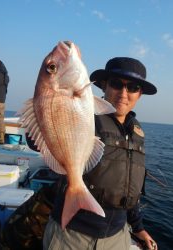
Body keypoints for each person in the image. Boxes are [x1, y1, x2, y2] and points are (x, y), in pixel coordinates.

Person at [41, 57, 158, 250]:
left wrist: (138, 228)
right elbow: (41, 138)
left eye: (133, 87)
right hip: (71, 235)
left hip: (117, 237)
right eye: (116, 84)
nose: (123, 93)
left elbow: (128, 185)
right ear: (103, 86)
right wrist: (48, 101)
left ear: (140, 94)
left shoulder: (136, 131)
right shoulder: (85, 115)